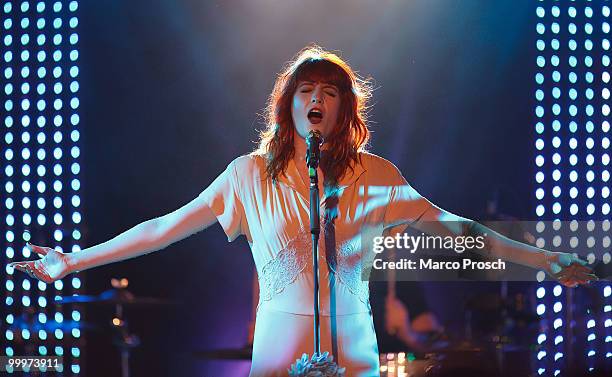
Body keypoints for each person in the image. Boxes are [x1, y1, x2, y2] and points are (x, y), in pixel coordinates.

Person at [8, 45, 597, 376]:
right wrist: (76, 260)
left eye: (330, 90)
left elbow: (463, 231)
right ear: (287, 102)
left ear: (343, 109)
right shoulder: (246, 175)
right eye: (306, 89)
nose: (317, 98)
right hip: (277, 350)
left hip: (355, 348)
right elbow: (163, 227)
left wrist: (547, 260)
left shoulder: (378, 175)